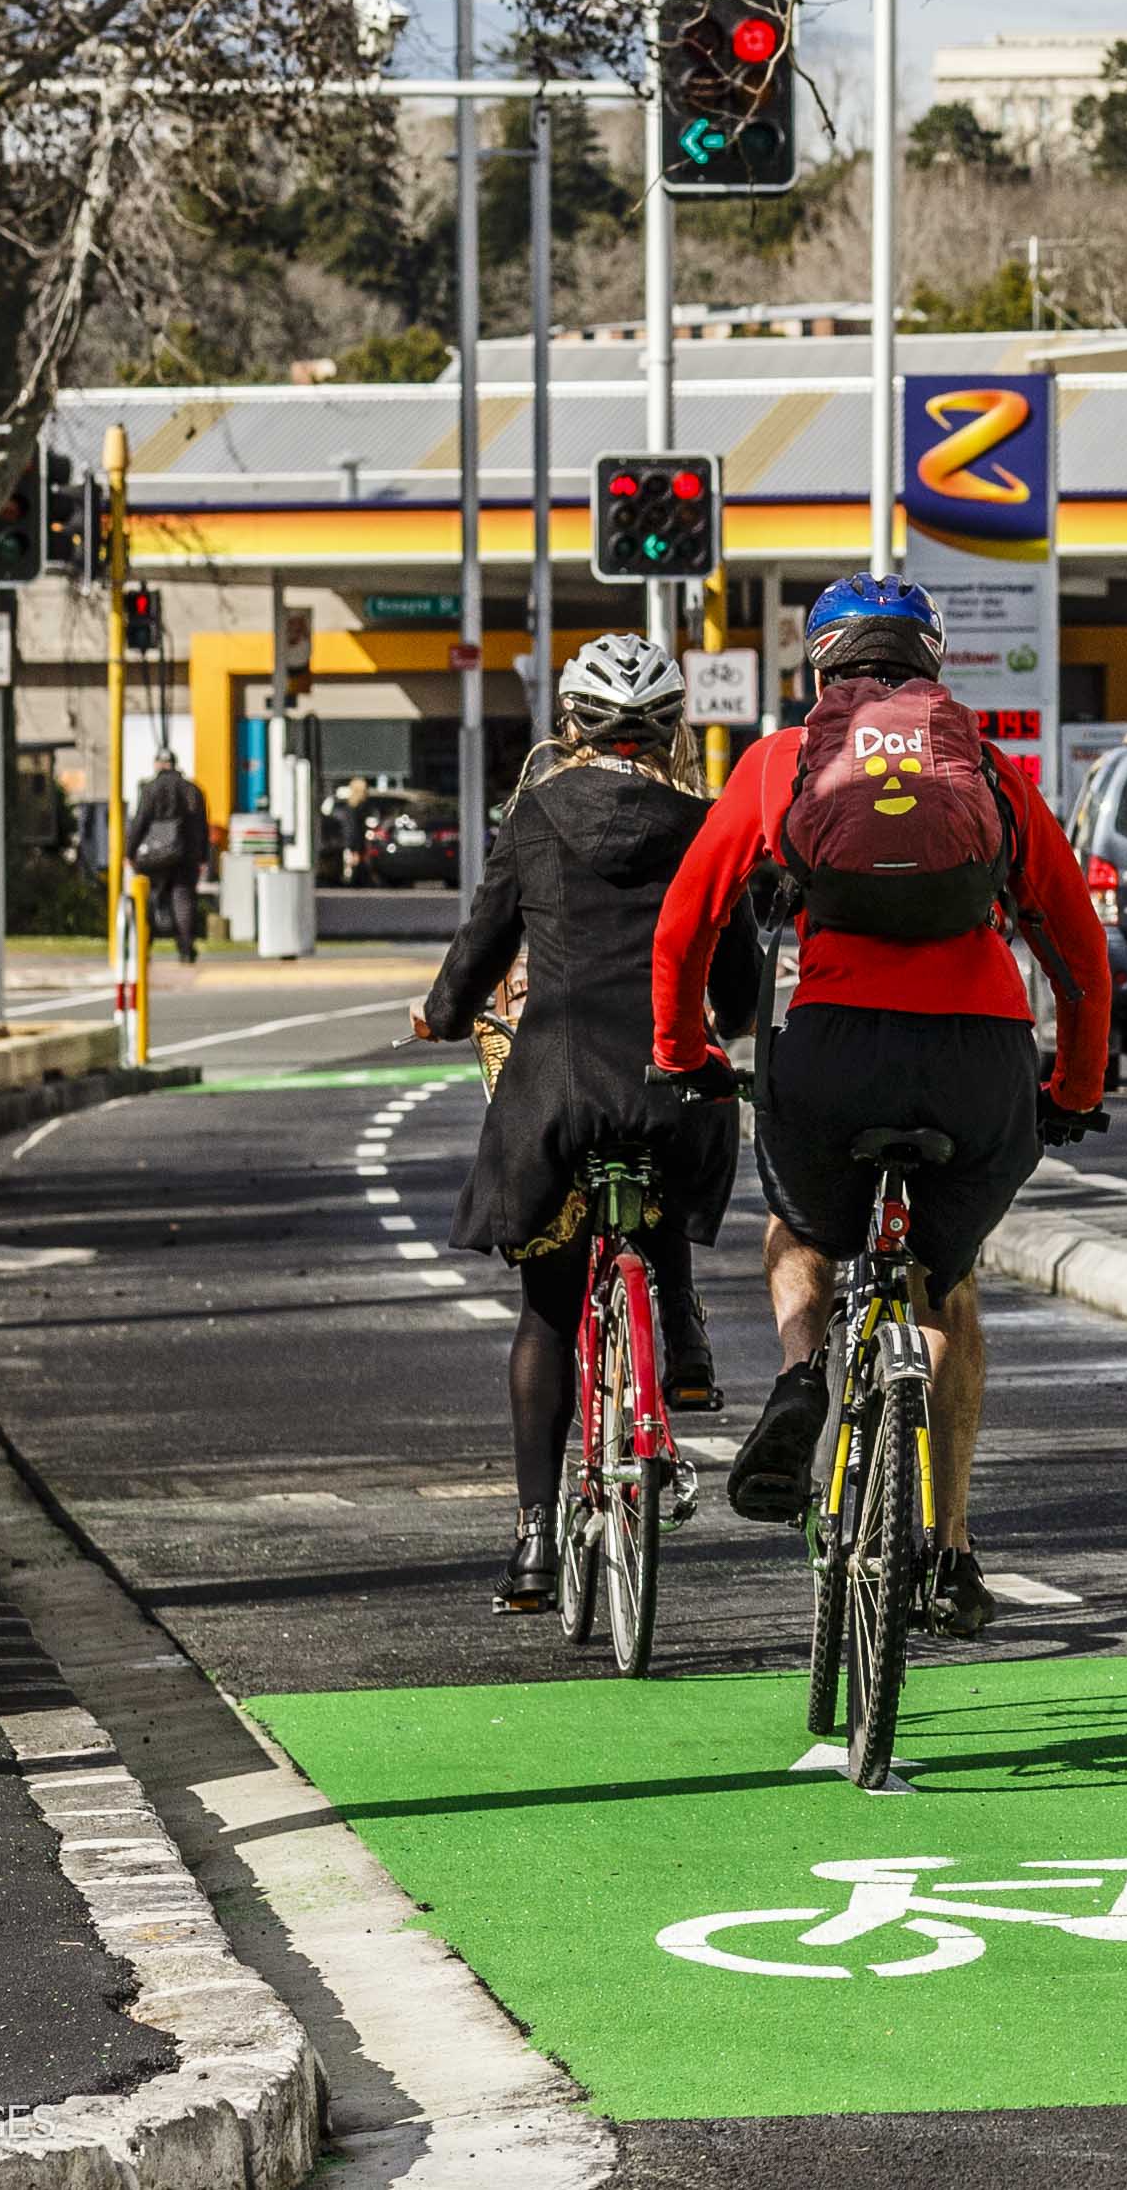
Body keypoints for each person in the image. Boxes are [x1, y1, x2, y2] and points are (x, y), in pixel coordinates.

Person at [651, 572, 1111, 1644]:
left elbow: (686, 923)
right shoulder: (986, 767)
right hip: (979, 1061)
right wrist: (1072, 1091)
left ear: (821, 669)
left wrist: (685, 1054)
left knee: (800, 1230)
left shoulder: (782, 761)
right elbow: (1079, 952)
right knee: (945, 1287)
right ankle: (949, 1549)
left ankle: (800, 1374)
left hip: (833, 1050)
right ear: (930, 665)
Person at [410, 635, 763, 1615]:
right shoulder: (705, 823)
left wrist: (442, 1014)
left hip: (556, 1092)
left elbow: (483, 941)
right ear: (672, 729)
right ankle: (680, 1334)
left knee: (548, 1310)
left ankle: (533, 1542)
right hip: (671, 1082)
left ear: (571, 723)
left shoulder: (534, 813)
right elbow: (739, 982)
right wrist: (726, 1019)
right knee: (669, 1168)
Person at [126, 749, 212, 962]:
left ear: (157, 764)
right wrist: (203, 856)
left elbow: (140, 822)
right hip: (186, 856)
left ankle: (143, 947)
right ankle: (186, 949)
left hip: (154, 856)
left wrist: (130, 852)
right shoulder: (193, 790)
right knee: (183, 898)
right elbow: (202, 826)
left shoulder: (150, 788)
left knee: (150, 899)